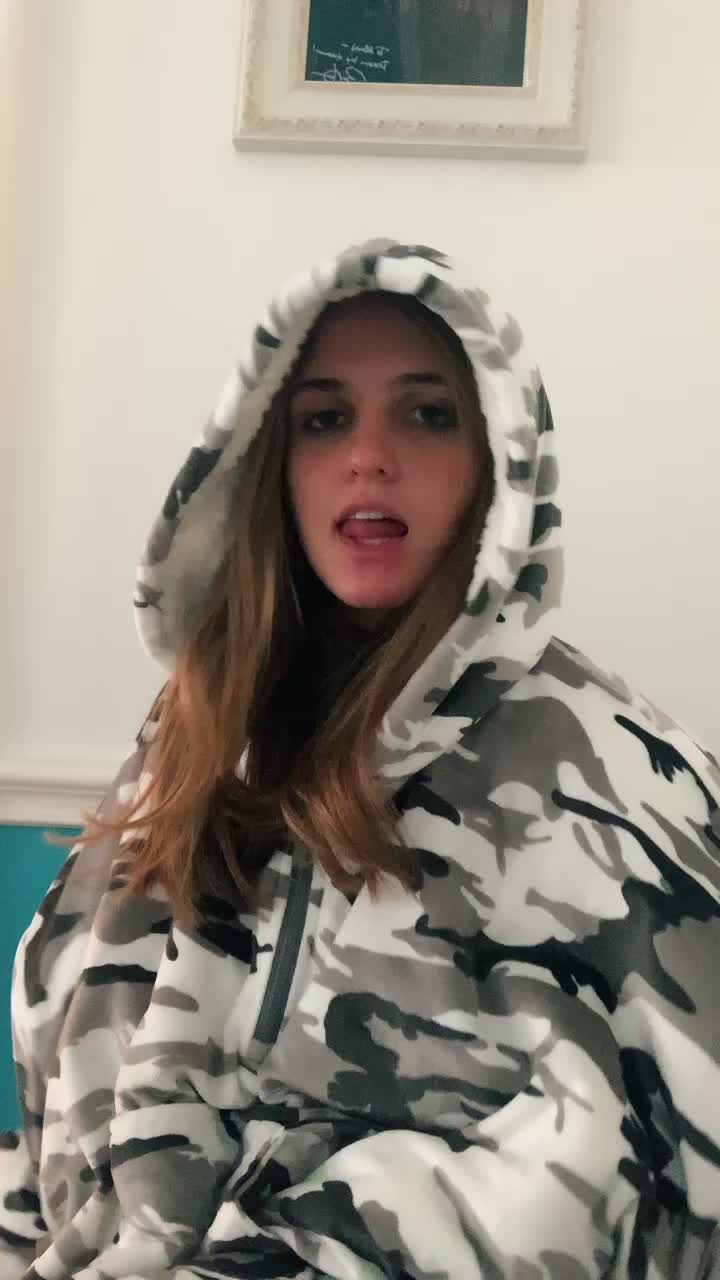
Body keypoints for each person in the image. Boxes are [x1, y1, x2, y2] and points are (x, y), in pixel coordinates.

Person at [1, 238, 718, 1279]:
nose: (369, 457)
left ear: (501, 463)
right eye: (324, 419)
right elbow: (59, 1033)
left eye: (427, 414)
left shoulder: (612, 767)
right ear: (268, 461)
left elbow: (650, 1160)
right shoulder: (201, 731)